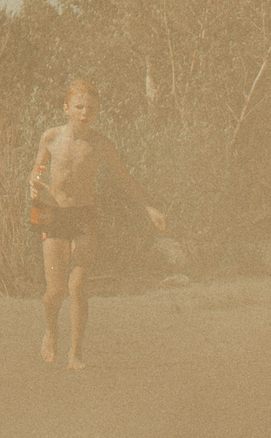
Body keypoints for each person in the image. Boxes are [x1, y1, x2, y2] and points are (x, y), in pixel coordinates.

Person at [28, 78, 169, 368]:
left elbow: (125, 178)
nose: (84, 113)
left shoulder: (101, 144)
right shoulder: (51, 137)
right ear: (66, 108)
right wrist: (35, 183)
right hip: (52, 213)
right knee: (55, 291)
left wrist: (149, 207)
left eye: (91, 108)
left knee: (78, 285)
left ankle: (75, 353)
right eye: (79, 107)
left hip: (84, 216)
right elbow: (38, 168)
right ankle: (51, 333)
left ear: (98, 111)